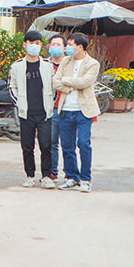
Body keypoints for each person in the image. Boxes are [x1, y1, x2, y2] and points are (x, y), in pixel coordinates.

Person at [53, 33, 100, 192]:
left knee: (83, 143)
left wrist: (66, 80)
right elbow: (55, 81)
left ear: (80, 47)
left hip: (83, 111)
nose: (68, 48)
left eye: (71, 44)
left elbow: (85, 82)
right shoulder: (65, 61)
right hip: (65, 109)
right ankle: (71, 177)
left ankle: (85, 178)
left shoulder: (92, 64)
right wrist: (69, 86)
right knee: (67, 145)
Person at [9, 31, 55, 188]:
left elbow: (54, 87)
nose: (34, 46)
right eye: (31, 43)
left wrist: (50, 102)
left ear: (41, 45)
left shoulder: (48, 67)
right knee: (27, 146)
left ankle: (46, 176)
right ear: (24, 44)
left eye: (37, 43)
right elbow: (11, 86)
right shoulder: (17, 66)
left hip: (44, 113)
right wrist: (19, 103)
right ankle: (30, 175)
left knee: (46, 145)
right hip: (26, 113)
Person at [46, 35, 67, 182]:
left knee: (68, 142)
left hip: (68, 106)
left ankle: (69, 172)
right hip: (51, 107)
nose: (55, 47)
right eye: (52, 44)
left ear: (65, 48)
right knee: (52, 142)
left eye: (58, 44)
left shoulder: (70, 64)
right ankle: (52, 171)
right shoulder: (44, 64)